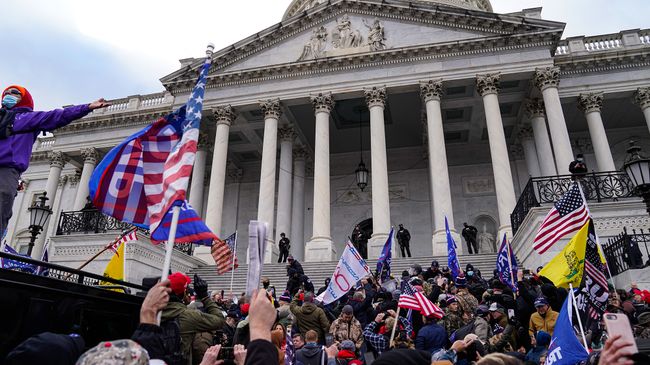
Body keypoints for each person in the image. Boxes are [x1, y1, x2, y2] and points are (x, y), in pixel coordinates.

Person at [0, 85, 110, 237]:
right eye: (5, 93)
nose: (8, 95)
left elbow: (58, 115)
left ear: (23, 99)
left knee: (2, 201)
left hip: (6, 169)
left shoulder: (27, 119)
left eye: (14, 93)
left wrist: (87, 107)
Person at [161, 273, 225, 365]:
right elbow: (219, 320)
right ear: (183, 293)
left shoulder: (151, 311)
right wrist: (205, 297)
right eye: (187, 289)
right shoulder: (188, 315)